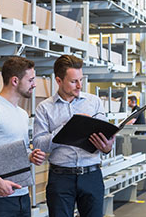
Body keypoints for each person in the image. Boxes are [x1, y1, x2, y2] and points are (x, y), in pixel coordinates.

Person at [33, 54, 115, 217]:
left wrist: (107, 146)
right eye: (73, 81)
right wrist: (66, 128)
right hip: (61, 178)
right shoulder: (45, 108)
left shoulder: (94, 102)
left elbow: (107, 139)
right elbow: (38, 144)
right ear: (58, 81)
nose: (79, 85)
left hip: (91, 175)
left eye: (81, 80)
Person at [0, 56, 46, 217]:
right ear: (15, 81)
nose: (34, 84)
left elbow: (18, 149)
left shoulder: (22, 114)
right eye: (30, 80)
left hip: (22, 196)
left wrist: (31, 155)